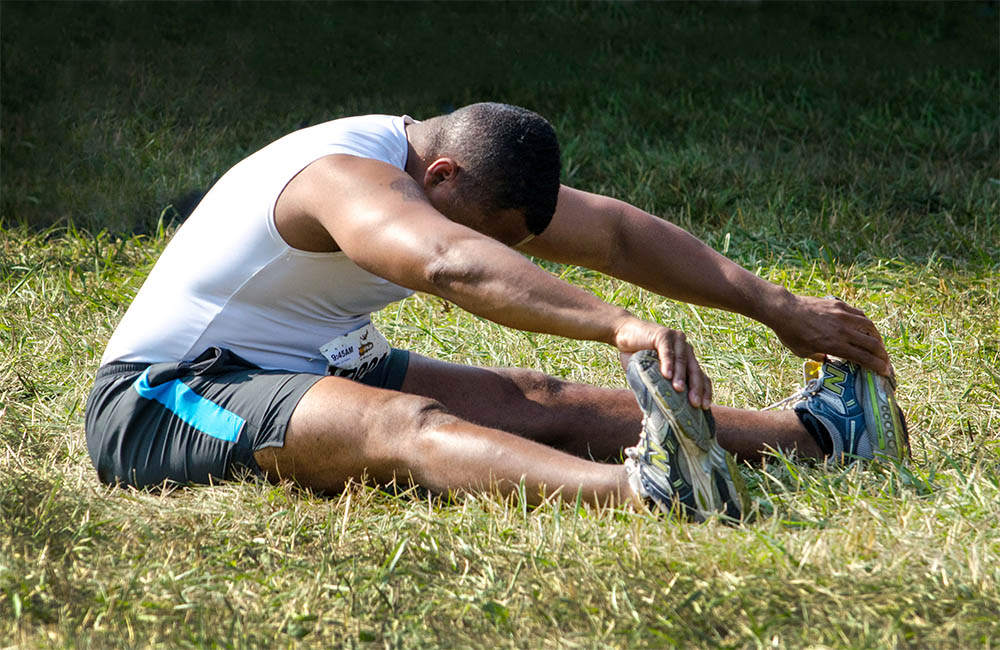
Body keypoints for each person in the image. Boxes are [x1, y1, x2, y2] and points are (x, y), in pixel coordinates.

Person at [85, 102, 907, 522]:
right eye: (499, 234)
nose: (513, 251)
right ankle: (646, 494)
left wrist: (776, 305)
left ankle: (822, 436)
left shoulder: (451, 168)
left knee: (537, 400)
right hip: (168, 393)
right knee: (404, 425)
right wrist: (616, 324)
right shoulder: (341, 175)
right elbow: (449, 263)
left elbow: (616, 236)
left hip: (316, 354)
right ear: (440, 178)